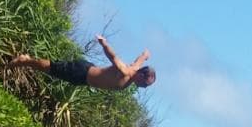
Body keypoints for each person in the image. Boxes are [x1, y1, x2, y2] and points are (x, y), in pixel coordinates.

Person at [11, 35, 156, 91]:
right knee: (51, 68)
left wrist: (145, 55)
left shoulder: (135, 71)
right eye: (145, 84)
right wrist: (104, 44)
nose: (143, 87)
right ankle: (25, 60)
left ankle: (27, 60)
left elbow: (139, 61)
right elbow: (114, 58)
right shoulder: (124, 71)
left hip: (83, 79)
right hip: (82, 71)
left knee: (52, 70)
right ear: (141, 76)